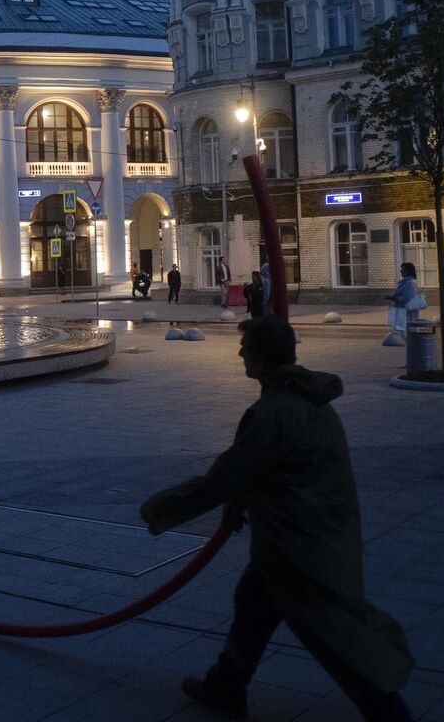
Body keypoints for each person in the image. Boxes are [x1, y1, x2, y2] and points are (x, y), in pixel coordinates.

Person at [140, 315, 414, 721]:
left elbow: (229, 475)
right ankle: (226, 686)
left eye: (246, 350)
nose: (239, 355)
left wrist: (161, 509)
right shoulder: (305, 399)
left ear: (263, 360)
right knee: (253, 602)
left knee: (331, 632)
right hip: (303, 534)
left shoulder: (277, 411)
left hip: (300, 545)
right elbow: (265, 470)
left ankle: (389, 712)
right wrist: (241, 504)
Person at [387, 263, 422, 335]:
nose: (401, 271)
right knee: (401, 330)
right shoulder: (404, 282)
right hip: (401, 309)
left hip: (407, 311)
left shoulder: (410, 282)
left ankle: (409, 343)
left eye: (403, 270)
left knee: (406, 330)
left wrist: (394, 298)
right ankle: (406, 342)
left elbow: (407, 297)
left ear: (408, 271)